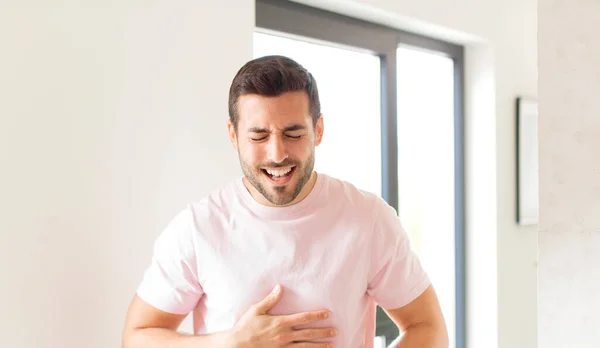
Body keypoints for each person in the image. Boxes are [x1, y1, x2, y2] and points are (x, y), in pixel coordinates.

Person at [121, 55, 448, 348]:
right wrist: (231, 343)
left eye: (293, 134)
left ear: (318, 130)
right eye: (258, 136)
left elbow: (428, 327)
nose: (277, 154)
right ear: (233, 135)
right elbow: (137, 337)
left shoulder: (368, 218)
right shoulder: (198, 227)